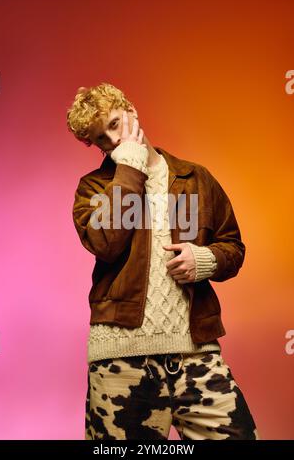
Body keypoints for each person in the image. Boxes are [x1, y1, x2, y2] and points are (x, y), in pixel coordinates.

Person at [66, 82, 260, 440]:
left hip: (196, 355)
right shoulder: (93, 189)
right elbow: (107, 243)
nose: (111, 142)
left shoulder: (194, 178)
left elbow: (233, 247)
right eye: (100, 139)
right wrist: (130, 166)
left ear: (131, 111)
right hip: (119, 364)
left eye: (113, 125)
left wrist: (203, 259)